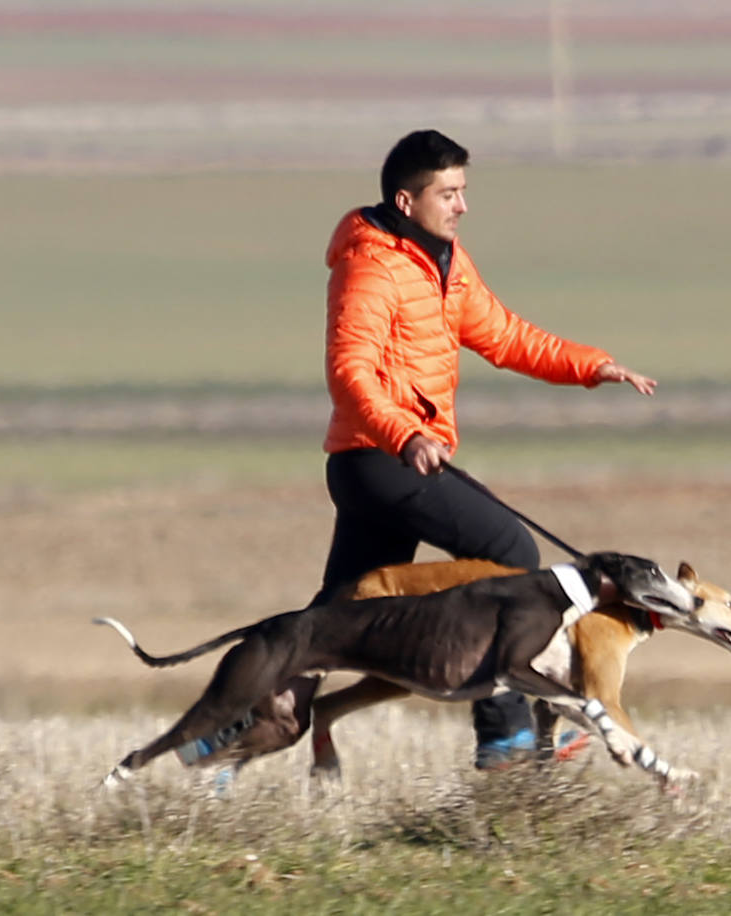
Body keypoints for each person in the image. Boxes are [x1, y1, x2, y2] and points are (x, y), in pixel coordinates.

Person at [213, 129, 658, 775]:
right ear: (406, 199)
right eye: (448, 193)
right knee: (509, 555)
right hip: (381, 457)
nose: (461, 206)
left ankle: (252, 714)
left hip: (390, 458)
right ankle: (506, 733)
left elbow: (505, 336)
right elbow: (350, 370)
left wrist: (592, 365)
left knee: (344, 606)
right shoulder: (372, 265)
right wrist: (406, 434)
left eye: (463, 191)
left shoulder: (447, 263)